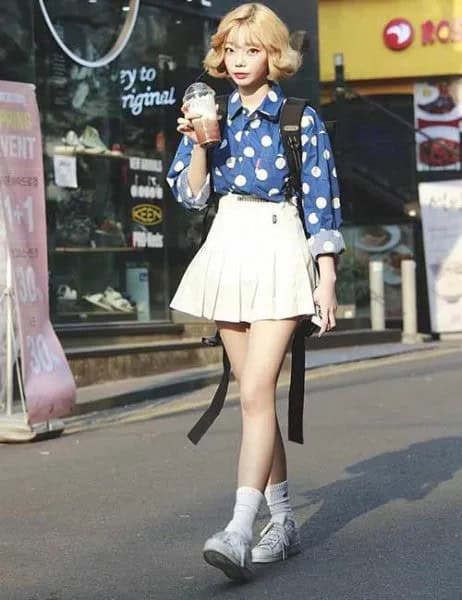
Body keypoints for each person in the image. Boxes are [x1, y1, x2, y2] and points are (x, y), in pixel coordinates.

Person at [166, 2, 345, 582]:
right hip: (228, 245)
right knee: (256, 398)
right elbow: (191, 196)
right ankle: (283, 520)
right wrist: (196, 141)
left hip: (278, 246)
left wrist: (328, 279)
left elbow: (321, 200)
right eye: (232, 49)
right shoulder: (209, 113)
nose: (240, 60)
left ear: (274, 55)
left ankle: (239, 529)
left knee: (256, 393)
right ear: (221, 54)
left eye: (253, 49)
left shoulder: (297, 117)